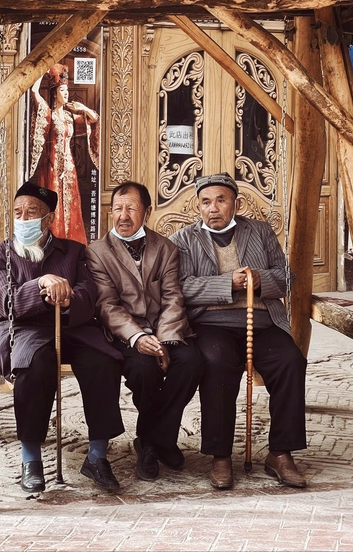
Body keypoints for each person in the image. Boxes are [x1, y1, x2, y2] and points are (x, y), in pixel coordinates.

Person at [0, 181, 124, 494]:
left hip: (73, 327)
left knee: (103, 362)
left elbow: (89, 295)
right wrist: (40, 285)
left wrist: (68, 297)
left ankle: (97, 456)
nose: (23, 219)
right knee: (36, 366)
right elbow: (5, 301)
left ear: (48, 219)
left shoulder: (74, 251)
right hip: (26, 330)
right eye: (18, 213)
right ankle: (31, 459)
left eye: (31, 212)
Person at [169, 173, 307, 490]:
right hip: (211, 325)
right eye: (206, 202)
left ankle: (281, 453)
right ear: (198, 206)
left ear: (236, 204)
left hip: (262, 322)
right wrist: (226, 284)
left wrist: (260, 280)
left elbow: (287, 278)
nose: (213, 208)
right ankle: (220, 457)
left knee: (291, 361)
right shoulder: (184, 239)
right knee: (216, 364)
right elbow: (181, 288)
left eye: (221, 200)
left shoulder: (259, 231)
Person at [85, 182, 202, 481]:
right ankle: (156, 443)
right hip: (125, 335)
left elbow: (173, 297)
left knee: (191, 363)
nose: (123, 216)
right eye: (118, 209)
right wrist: (138, 337)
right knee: (144, 370)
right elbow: (107, 305)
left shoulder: (166, 248)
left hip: (165, 330)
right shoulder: (97, 252)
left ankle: (153, 439)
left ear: (147, 212)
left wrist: (164, 342)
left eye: (131, 209)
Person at [29, 63, 99, 244]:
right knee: (54, 206)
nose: (66, 94)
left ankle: (71, 244)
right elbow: (34, 92)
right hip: (52, 166)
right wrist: (41, 70)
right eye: (62, 90)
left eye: (67, 90)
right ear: (55, 93)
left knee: (71, 205)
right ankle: (54, 244)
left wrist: (82, 108)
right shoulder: (49, 115)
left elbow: (94, 119)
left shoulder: (69, 117)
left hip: (69, 169)